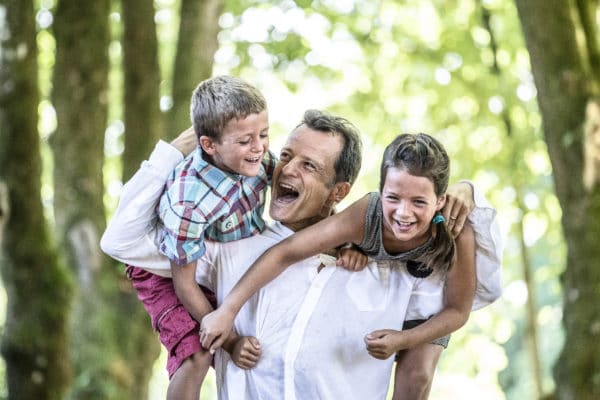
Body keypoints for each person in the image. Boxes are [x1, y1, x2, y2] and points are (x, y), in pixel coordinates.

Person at [102, 110, 502, 399]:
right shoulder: (230, 250)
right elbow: (121, 241)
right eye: (288, 155)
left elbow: (477, 291)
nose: (287, 170)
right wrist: (193, 137)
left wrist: (468, 195)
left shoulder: (390, 271)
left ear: (339, 192)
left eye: (309, 166)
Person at [103, 74, 278, 400]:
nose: (259, 147)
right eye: (245, 141)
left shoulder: (259, 159)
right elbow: (183, 283)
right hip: (165, 272)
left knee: (257, 348)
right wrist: (230, 341)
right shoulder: (190, 196)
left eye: (264, 135)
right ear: (209, 145)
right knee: (198, 353)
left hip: (211, 262)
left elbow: (301, 194)